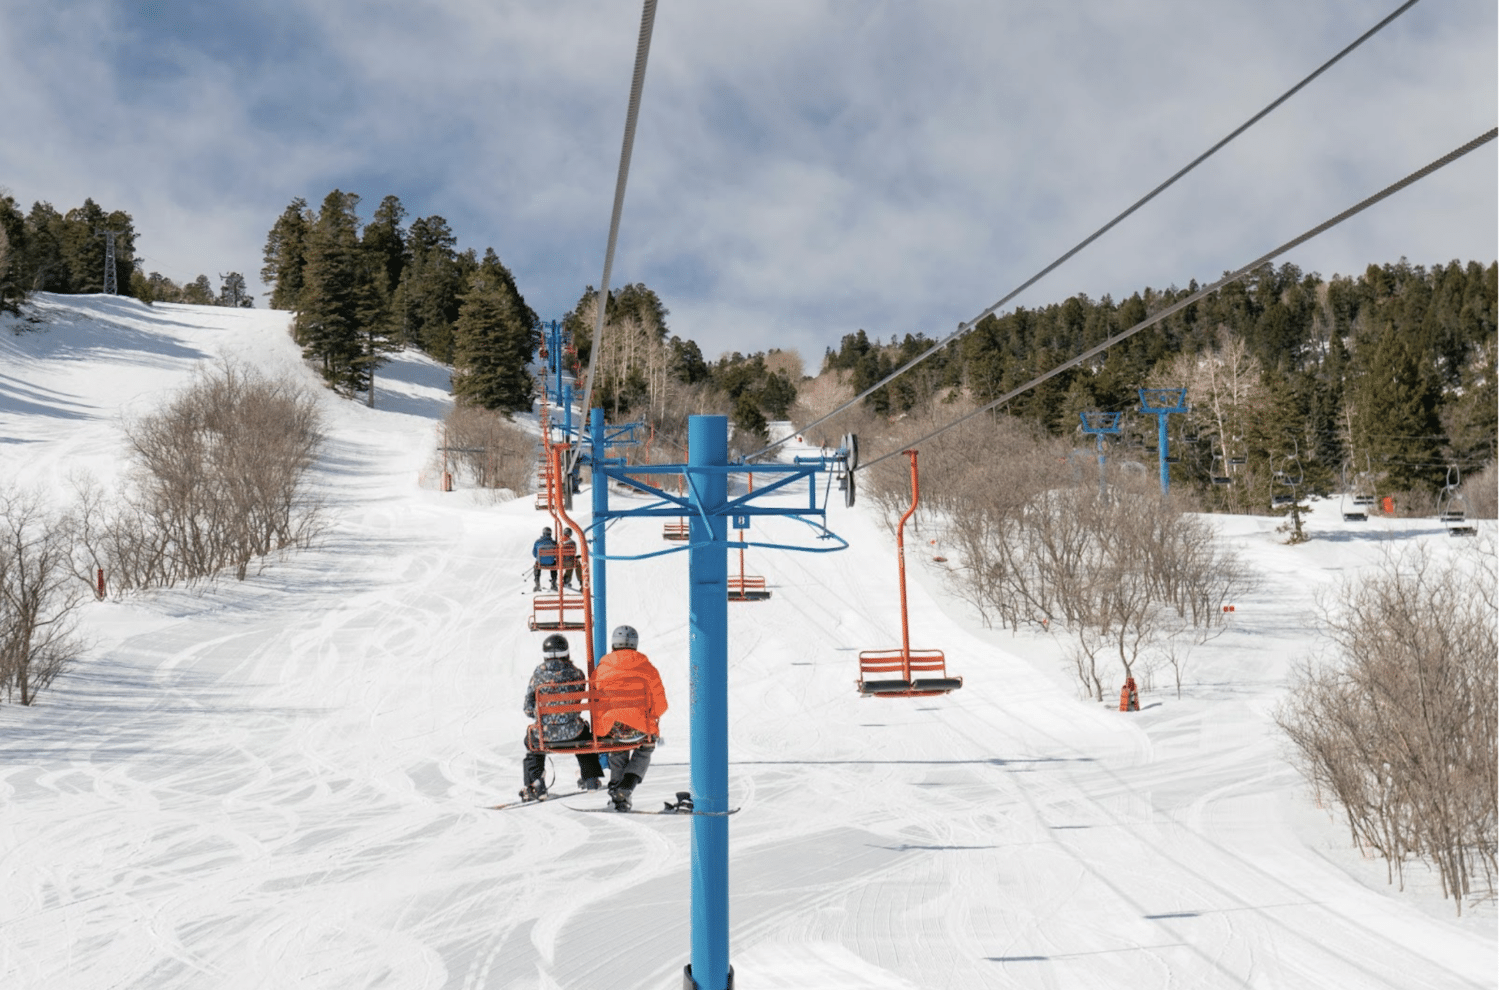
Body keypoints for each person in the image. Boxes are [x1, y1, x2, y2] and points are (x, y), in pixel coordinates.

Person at [521, 633, 606, 799]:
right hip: (572, 732)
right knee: (585, 737)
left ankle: (535, 782)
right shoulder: (576, 674)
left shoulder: (538, 676)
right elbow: (580, 695)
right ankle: (590, 778)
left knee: (531, 743)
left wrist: (540, 715)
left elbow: (528, 708)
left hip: (545, 734)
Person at [593, 624, 668, 811]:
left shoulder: (602, 669)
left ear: (613, 645)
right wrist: (652, 716)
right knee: (646, 746)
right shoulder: (648, 669)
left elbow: (595, 700)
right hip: (639, 729)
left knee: (618, 748)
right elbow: (661, 705)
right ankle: (626, 786)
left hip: (613, 728)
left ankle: (618, 794)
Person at [532, 526, 557, 591]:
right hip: (551, 563)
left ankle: (537, 584)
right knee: (554, 563)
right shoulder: (554, 543)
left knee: (536, 564)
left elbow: (534, 554)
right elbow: (556, 555)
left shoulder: (538, 542)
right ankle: (554, 583)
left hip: (541, 563)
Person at [559, 527, 580, 591]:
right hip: (569, 563)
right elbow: (574, 552)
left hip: (560, 562)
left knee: (569, 563)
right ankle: (567, 581)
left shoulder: (560, 542)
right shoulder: (573, 543)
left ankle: (556, 580)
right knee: (574, 564)